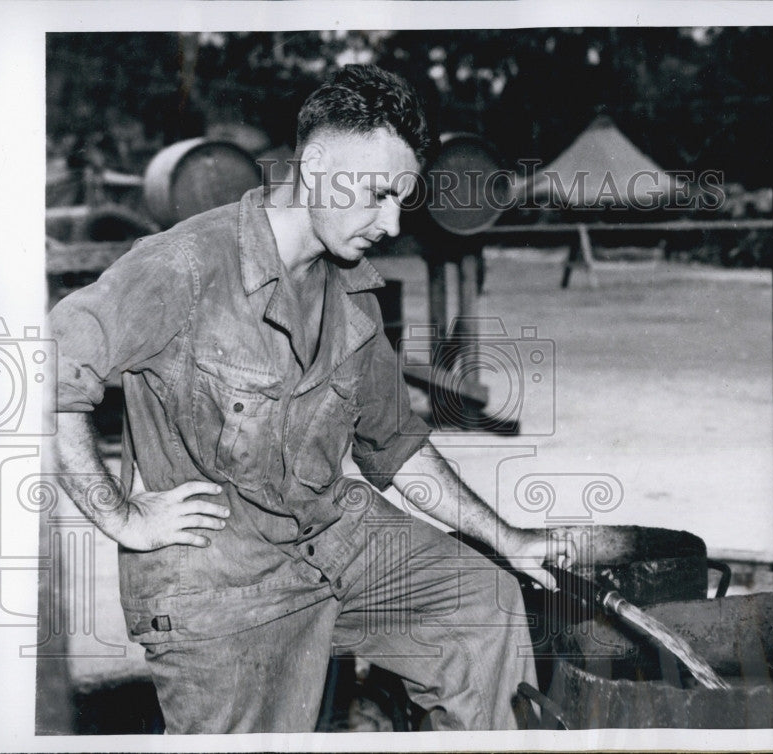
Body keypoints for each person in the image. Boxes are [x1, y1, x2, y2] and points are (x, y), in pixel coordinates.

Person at [49, 64, 571, 733]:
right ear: (318, 163)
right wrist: (120, 516)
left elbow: (397, 446)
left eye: (400, 202)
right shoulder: (185, 266)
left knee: (481, 601)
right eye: (378, 193)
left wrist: (510, 539)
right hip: (221, 582)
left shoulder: (349, 288)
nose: (390, 223)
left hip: (333, 536)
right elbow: (49, 367)